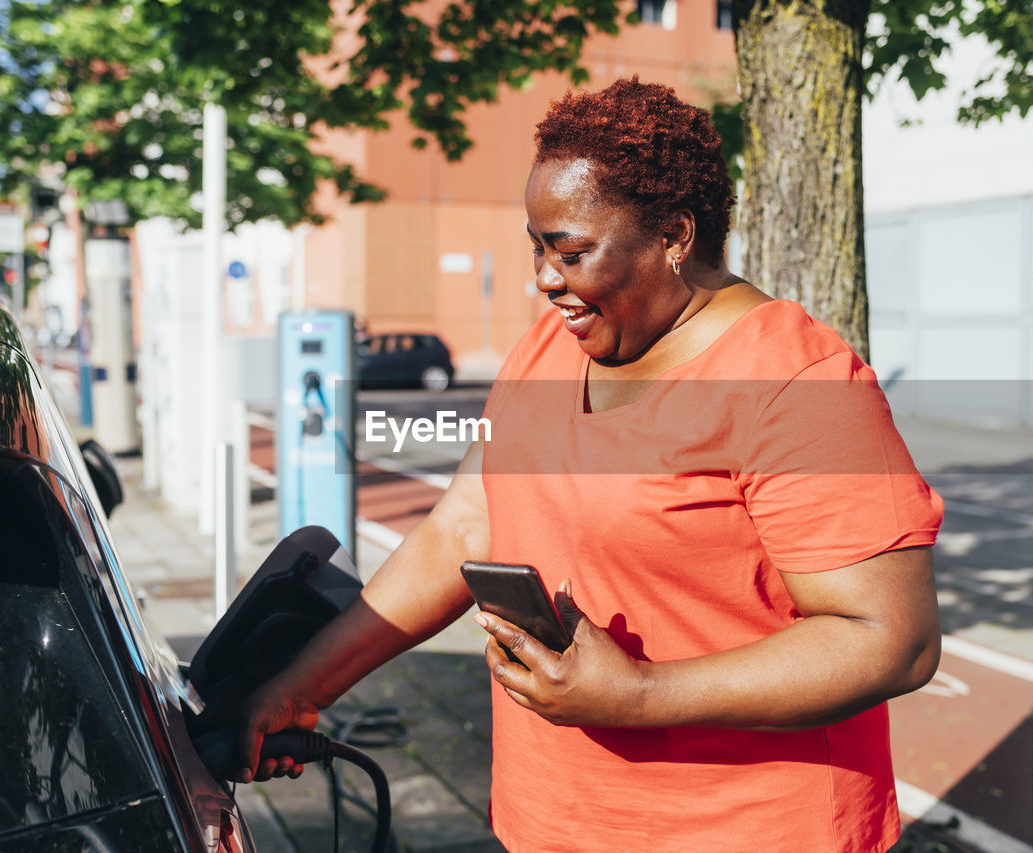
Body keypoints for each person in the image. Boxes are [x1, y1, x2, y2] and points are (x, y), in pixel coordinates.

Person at [234, 77, 944, 852]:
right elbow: (464, 527)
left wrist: (642, 695)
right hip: (554, 823)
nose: (544, 278)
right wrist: (301, 687)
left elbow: (892, 637)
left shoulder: (792, 384)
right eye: (536, 247)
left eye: (570, 251)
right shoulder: (548, 350)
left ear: (674, 234)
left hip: (745, 830)